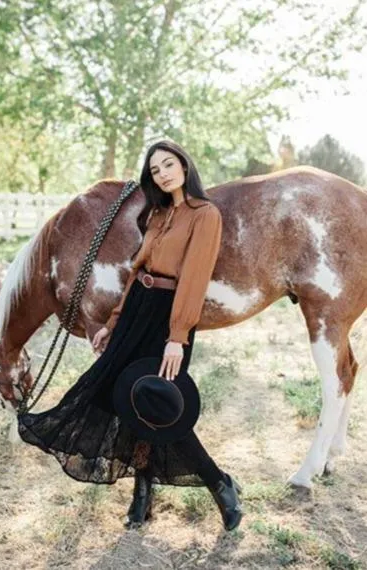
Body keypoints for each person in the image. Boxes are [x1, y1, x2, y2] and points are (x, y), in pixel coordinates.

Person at [18, 140, 242, 531]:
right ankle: (143, 492)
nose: (163, 174)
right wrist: (113, 323)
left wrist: (178, 336)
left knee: (160, 408)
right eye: (155, 170)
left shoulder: (205, 215)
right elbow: (137, 274)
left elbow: (194, 280)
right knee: (123, 402)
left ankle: (218, 482)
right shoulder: (156, 213)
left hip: (167, 317)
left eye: (168, 165)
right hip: (138, 308)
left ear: (184, 166)